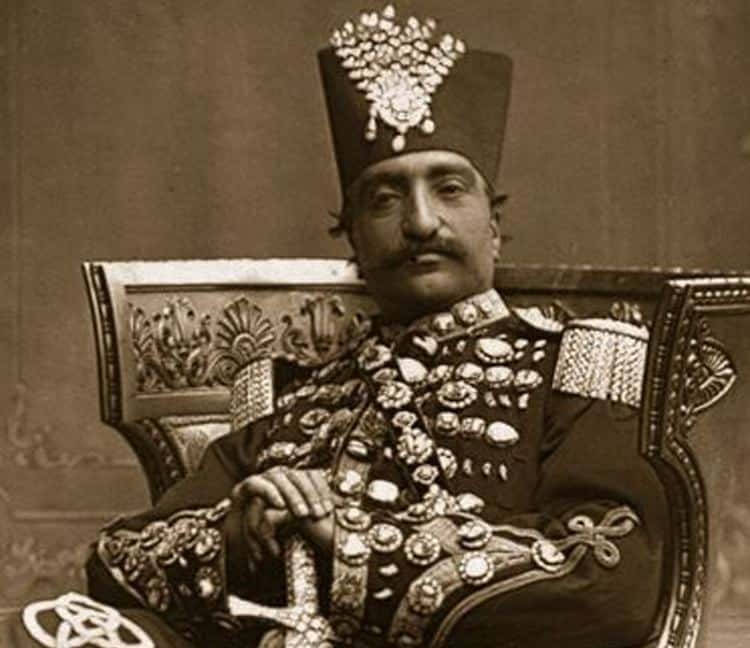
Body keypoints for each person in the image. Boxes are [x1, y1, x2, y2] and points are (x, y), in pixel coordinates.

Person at [11, 5, 667, 648]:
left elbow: (610, 578)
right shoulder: (290, 397)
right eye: (384, 199)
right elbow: (119, 558)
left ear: (493, 226)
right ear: (353, 237)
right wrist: (239, 534)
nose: (420, 223)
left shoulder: (577, 368)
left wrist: (351, 543)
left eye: (449, 189)